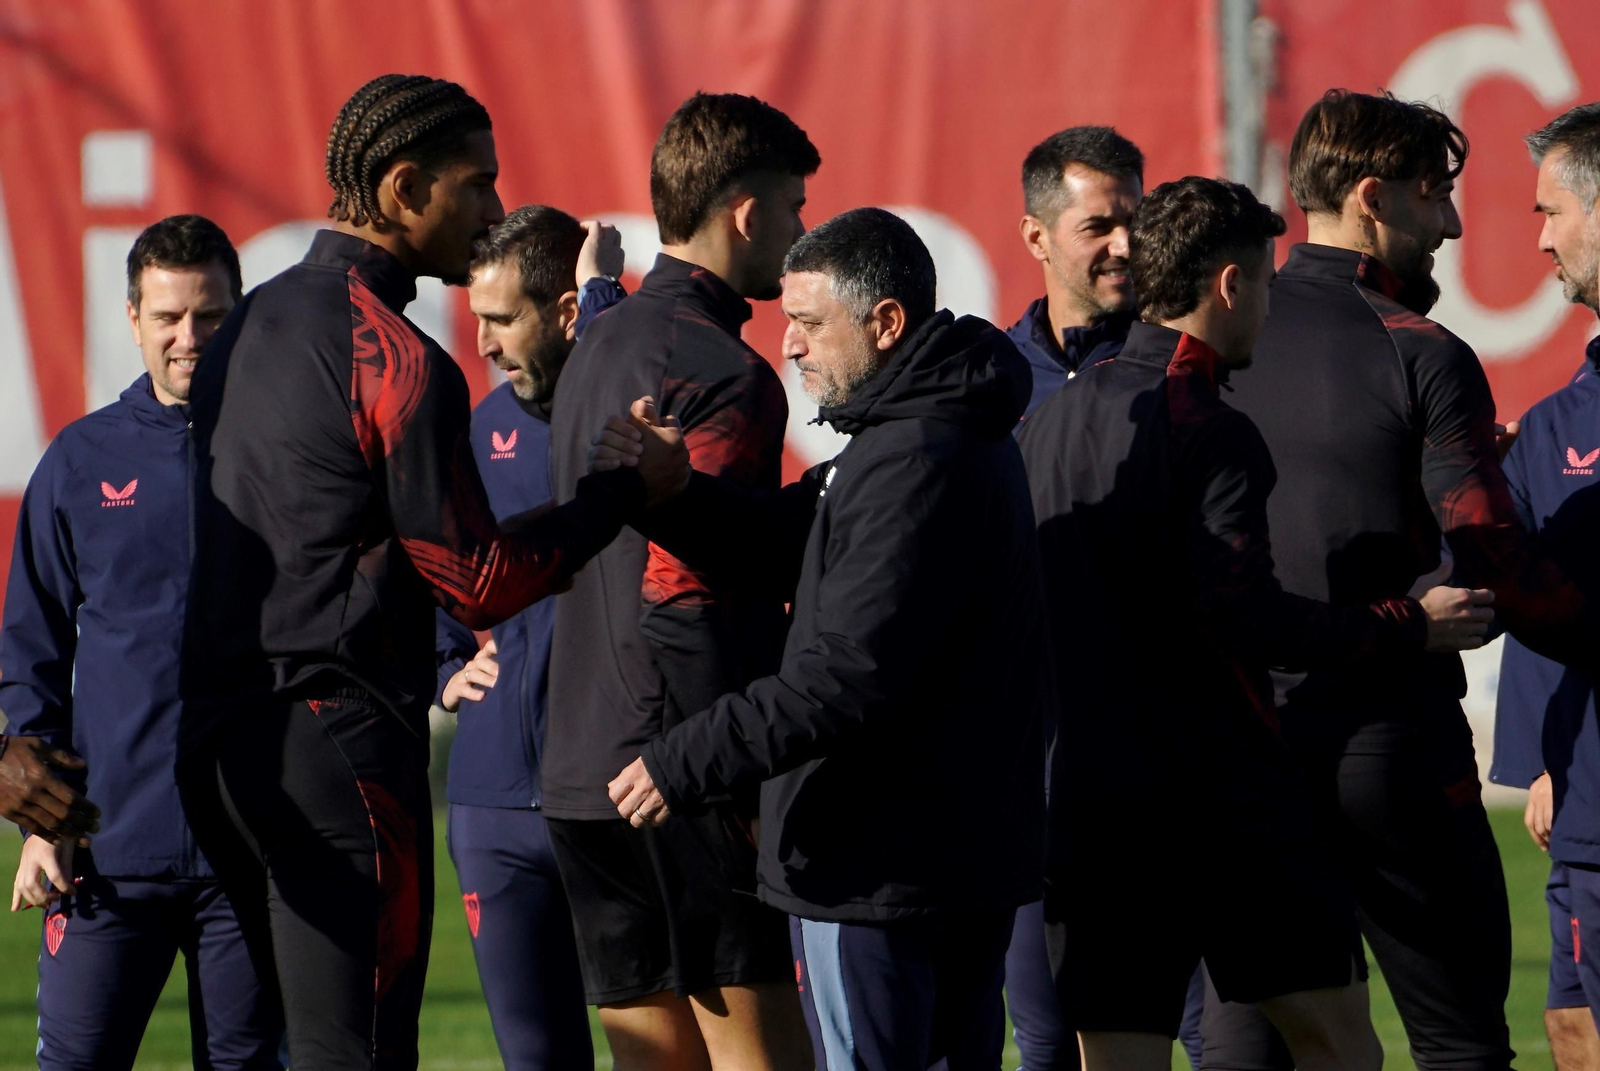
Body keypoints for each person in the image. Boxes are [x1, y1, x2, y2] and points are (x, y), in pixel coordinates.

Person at [177, 74, 685, 1070]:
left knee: (248, 1053)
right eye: (478, 183)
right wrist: (619, 491)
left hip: (217, 743)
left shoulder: (244, 324)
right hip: (338, 752)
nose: (495, 208)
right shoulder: (394, 354)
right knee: (355, 1054)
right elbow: (479, 582)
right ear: (405, 188)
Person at [1016, 176, 1495, 1071]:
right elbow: (1248, 619)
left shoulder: (1049, 423)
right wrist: (1407, 625)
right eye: (1268, 285)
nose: (1270, 311)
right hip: (1221, 794)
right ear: (1231, 285)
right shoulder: (1207, 423)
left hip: (1088, 797)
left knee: (1117, 1053)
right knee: (1340, 1044)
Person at [600, 206, 1050, 1071]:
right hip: (944, 856)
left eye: (809, 324)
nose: (793, 347)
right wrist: (677, 495)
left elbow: (843, 675)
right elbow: (792, 544)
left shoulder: (913, 454)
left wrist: (678, 760)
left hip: (881, 867)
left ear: (885, 325)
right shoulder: (923, 432)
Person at [1213, 88, 1600, 1071]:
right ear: (1375, 199)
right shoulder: (1419, 351)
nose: (1456, 225)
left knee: (1246, 1046)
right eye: (1438, 198)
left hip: (1244, 749)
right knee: (1461, 1044)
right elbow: (1492, 564)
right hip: (1388, 754)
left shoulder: (1216, 344)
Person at [543, 91, 818, 1070]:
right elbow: (683, 596)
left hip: (578, 769)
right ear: (744, 212)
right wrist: (727, 765)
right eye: (792, 208)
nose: (798, 233)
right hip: (675, 772)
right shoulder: (725, 370)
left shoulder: (594, 344)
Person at [2, 216, 283, 1070]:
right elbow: (31, 650)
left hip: (253, 853)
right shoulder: (83, 460)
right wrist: (42, 822)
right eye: (167, 317)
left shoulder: (286, 454)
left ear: (240, 316)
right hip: (106, 853)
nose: (187, 338)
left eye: (208, 315)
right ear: (132, 318)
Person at [433, 205, 626, 1070]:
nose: (484, 343)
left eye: (503, 319)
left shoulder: (638, 414)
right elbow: (422, 577)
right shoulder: (473, 431)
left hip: (621, 796)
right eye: (477, 319)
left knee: (660, 1051)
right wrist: (439, 667)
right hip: (492, 806)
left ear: (565, 310)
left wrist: (613, 300)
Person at [1491, 101, 1600, 1069]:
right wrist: (1540, 754)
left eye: (1551, 210)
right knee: (1571, 1027)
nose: (1539, 238)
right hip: (1581, 799)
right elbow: (1529, 591)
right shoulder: (1556, 417)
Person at [1009, 125, 1143, 418]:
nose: (1125, 246)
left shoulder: (1172, 362)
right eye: (1097, 228)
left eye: (1135, 223)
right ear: (1036, 238)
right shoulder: (995, 374)